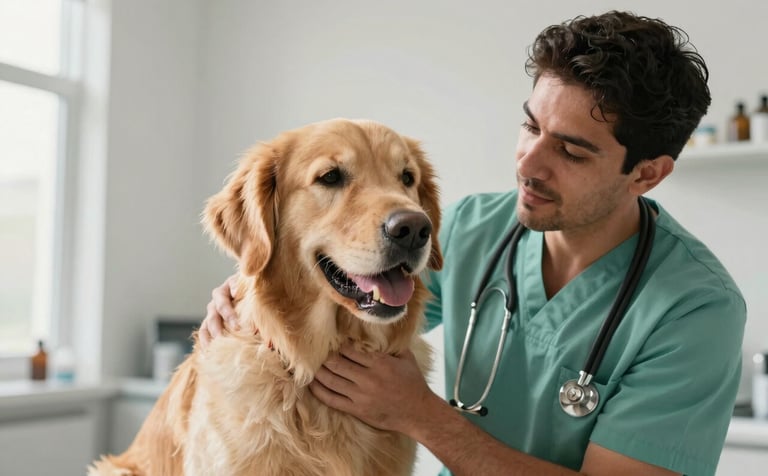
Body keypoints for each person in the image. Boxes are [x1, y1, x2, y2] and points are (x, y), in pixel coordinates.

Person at [200, 10, 746, 476]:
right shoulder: (470, 227)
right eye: (530, 127)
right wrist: (246, 290)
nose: (528, 165)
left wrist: (420, 415)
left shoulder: (695, 309)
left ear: (647, 174)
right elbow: (349, 285)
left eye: (571, 152)